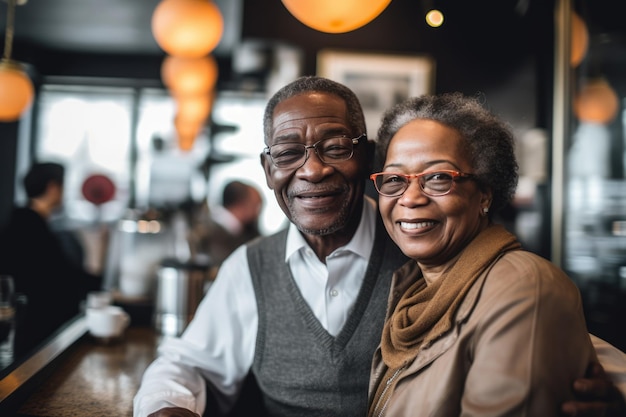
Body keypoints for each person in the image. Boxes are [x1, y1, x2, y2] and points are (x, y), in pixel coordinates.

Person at [134, 77, 625, 417]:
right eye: (288, 153)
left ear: (365, 157)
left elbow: (545, 323)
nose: (311, 170)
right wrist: (166, 406)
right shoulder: (251, 266)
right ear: (268, 171)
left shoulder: (424, 253)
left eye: (335, 146)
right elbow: (188, 361)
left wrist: (615, 394)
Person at [367, 93, 626, 416]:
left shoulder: (526, 288)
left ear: (485, 195)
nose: (411, 198)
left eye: (437, 177)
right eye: (395, 179)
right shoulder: (415, 292)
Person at [0, 162, 102, 353]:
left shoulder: (22, 223)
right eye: (64, 186)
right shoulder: (33, 231)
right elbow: (68, 287)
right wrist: (96, 252)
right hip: (33, 342)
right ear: (53, 188)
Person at [189, 180, 263, 267]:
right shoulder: (209, 234)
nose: (258, 213)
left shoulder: (208, 225)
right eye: (257, 206)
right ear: (242, 204)